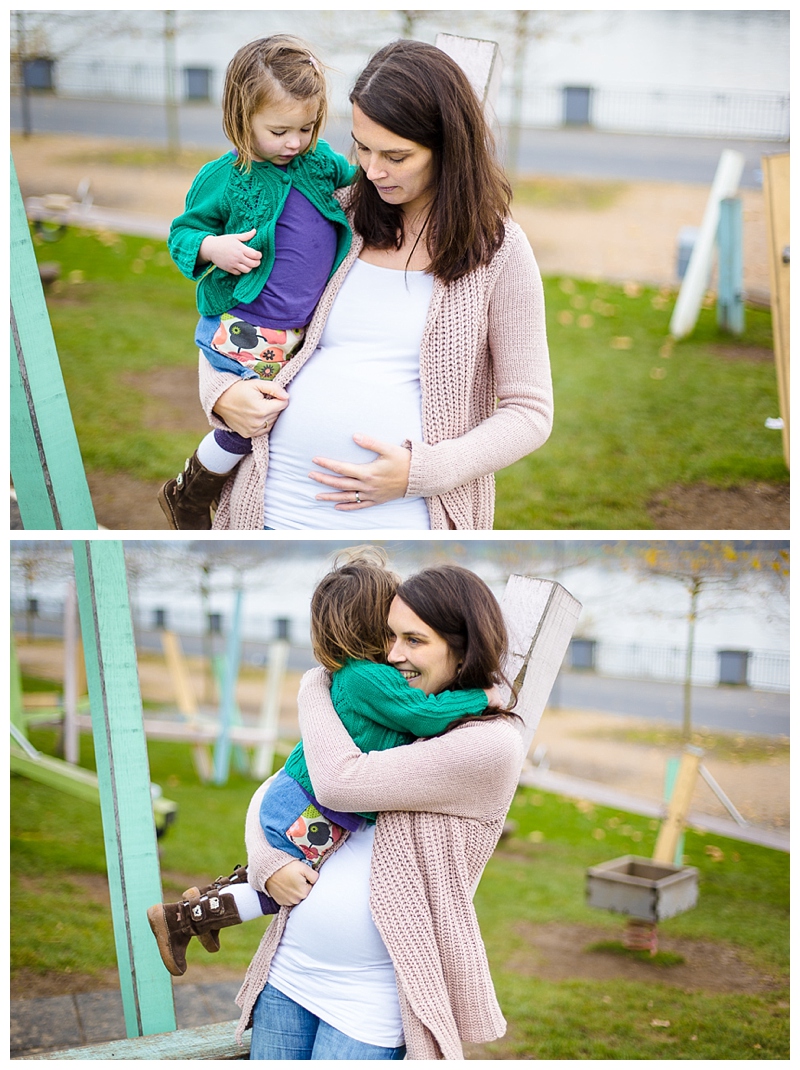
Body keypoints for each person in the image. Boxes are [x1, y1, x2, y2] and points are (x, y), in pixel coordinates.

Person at [201, 38, 553, 530]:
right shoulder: (335, 212)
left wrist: (421, 472)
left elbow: (529, 413)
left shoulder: (499, 252)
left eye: (396, 155)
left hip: (405, 522)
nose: (372, 169)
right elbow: (234, 316)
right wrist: (218, 392)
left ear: (448, 148)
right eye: (362, 147)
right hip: (270, 508)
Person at [146, 549, 493, 976]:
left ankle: (198, 912)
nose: (398, 644)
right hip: (309, 801)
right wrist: (483, 697)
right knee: (284, 886)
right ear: (372, 624)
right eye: (392, 628)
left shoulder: (352, 674)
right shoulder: (368, 676)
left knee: (280, 871)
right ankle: (187, 920)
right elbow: (420, 714)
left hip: (297, 795)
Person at [236, 564, 525, 1060]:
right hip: (290, 971)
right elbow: (275, 790)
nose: (393, 655)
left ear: (465, 644)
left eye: (414, 640)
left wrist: (313, 688)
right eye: (390, 636)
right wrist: (267, 864)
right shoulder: (391, 712)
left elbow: (337, 783)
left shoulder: (489, 745)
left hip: (372, 999)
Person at [158, 35, 357, 528]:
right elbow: (183, 232)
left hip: (298, 331)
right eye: (280, 130)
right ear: (240, 118)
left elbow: (359, 177)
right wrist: (212, 248)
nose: (294, 143)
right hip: (245, 322)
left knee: (283, 418)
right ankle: (191, 489)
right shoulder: (225, 177)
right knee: (255, 422)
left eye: (307, 129)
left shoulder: (318, 161)